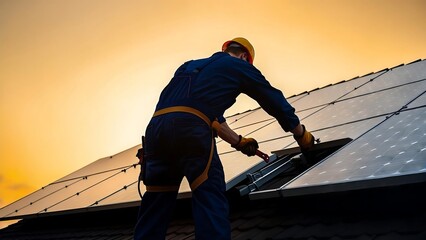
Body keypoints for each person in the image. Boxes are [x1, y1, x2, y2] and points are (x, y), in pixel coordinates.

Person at [134, 37, 315, 240]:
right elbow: (272, 99)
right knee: (209, 194)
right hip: (190, 129)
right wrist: (301, 134)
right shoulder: (239, 65)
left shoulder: (189, 66)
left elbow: (201, 112)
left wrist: (239, 141)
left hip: (156, 133)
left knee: (155, 203)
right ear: (245, 56)